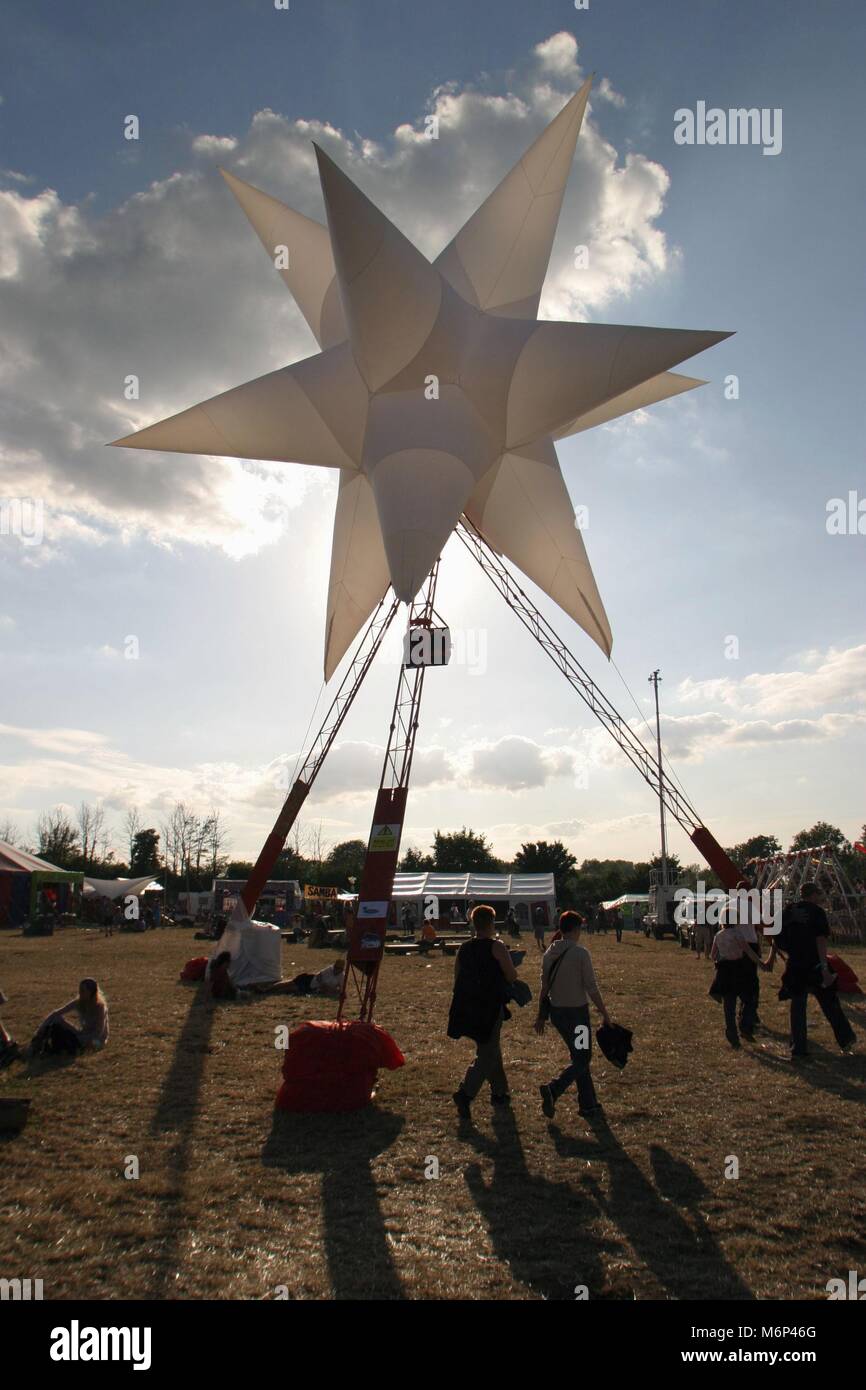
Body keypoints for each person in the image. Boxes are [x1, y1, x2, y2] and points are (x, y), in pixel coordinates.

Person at [766, 882, 856, 1059]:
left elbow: (773, 933)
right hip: (814, 964)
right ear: (813, 894)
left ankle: (798, 1048)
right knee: (830, 1003)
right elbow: (820, 940)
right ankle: (846, 1039)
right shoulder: (816, 912)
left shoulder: (789, 911)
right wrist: (824, 967)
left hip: (795, 964)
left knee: (798, 1008)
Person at [536, 911, 610, 1120]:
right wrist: (605, 1013)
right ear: (576, 929)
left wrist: (541, 1015)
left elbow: (544, 987)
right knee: (583, 1057)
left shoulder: (549, 952)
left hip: (558, 1014)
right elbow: (591, 987)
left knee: (578, 1057)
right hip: (577, 1014)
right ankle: (554, 1088)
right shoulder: (580, 953)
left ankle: (588, 1104)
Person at [448, 904, 518, 1117]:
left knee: (490, 1048)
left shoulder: (465, 947)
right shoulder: (496, 946)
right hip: (489, 1005)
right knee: (487, 1053)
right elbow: (511, 975)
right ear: (492, 922)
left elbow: (457, 977)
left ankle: (499, 1092)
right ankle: (465, 1093)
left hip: (469, 1005)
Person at [709, 908, 766, 1049]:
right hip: (739, 969)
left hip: (724, 970)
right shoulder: (737, 934)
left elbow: (713, 955)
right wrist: (760, 963)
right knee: (748, 999)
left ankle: (731, 1033)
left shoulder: (718, 935)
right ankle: (745, 1025)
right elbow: (748, 951)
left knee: (729, 1005)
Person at [30, 979, 109, 1056]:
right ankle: (37, 1042)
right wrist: (40, 1030)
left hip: (96, 1040)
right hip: (82, 1034)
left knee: (70, 1041)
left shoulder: (100, 1008)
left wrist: (79, 1038)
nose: (80, 993)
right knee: (57, 1019)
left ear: (91, 992)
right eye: (79, 990)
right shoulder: (78, 1002)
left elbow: (98, 1033)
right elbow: (56, 1013)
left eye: (83, 990)